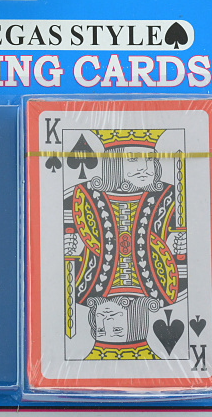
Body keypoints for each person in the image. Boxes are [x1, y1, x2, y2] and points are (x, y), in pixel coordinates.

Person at [63, 129, 187, 360]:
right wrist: (72, 247)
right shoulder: (84, 195)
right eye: (133, 160)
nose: (144, 168)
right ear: (113, 163)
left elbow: (187, 251)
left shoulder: (170, 196)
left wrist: (178, 245)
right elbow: (65, 236)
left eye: (149, 160)